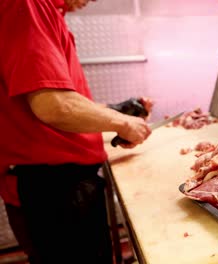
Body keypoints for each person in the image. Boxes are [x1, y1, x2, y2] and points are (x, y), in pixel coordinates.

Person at [0, 0, 152, 263]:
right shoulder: (28, 5)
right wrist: (123, 124)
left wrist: (120, 110)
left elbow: (62, 99)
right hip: (50, 190)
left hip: (56, 186)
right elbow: (54, 106)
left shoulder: (47, 10)